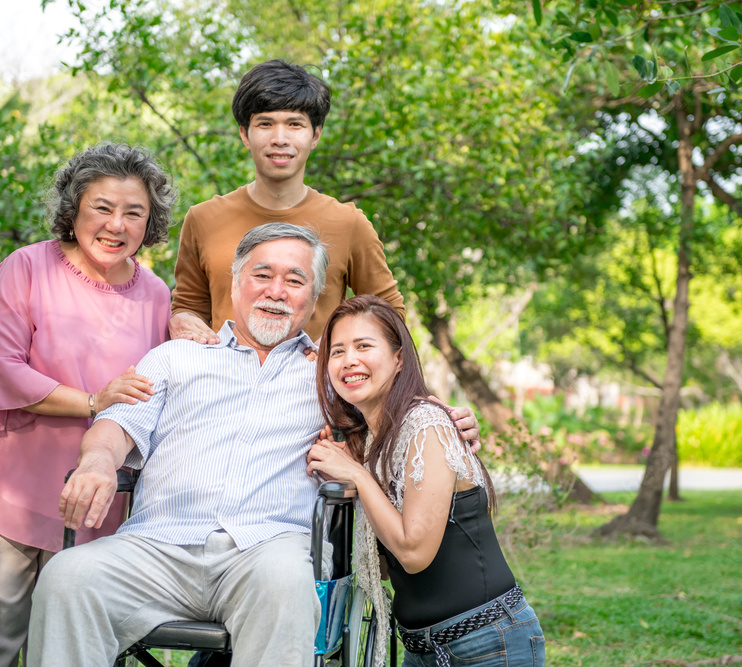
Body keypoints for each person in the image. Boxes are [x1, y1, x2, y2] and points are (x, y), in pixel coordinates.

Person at [27, 224, 477, 667]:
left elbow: (401, 413)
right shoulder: (176, 357)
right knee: (67, 577)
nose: (276, 291)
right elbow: (115, 425)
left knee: (284, 582)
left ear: (315, 297)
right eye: (262, 275)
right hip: (156, 547)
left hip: (269, 548)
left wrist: (449, 421)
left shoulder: (331, 373)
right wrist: (98, 462)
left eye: (295, 280)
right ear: (236, 282)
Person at [0, 143, 177, 667]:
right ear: (74, 208)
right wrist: (93, 400)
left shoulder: (157, 295)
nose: (116, 224)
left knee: (75, 646)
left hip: (97, 498)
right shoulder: (26, 268)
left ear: (150, 222)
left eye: (134, 212)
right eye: (102, 207)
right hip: (11, 485)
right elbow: (1, 368)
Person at [307, 295, 546, 667]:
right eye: (337, 351)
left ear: (399, 357)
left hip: (486, 643)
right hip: (421, 649)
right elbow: (388, 565)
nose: (349, 360)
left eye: (364, 346)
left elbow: (414, 554)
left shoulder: (426, 424)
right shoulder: (373, 441)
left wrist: (356, 474)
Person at [169, 58, 404, 344]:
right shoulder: (203, 219)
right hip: (225, 384)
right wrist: (182, 319)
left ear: (315, 135)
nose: (280, 139)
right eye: (265, 124)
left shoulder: (349, 223)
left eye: (295, 124)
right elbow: (189, 307)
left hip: (315, 386)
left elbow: (389, 314)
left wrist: (340, 350)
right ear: (245, 134)